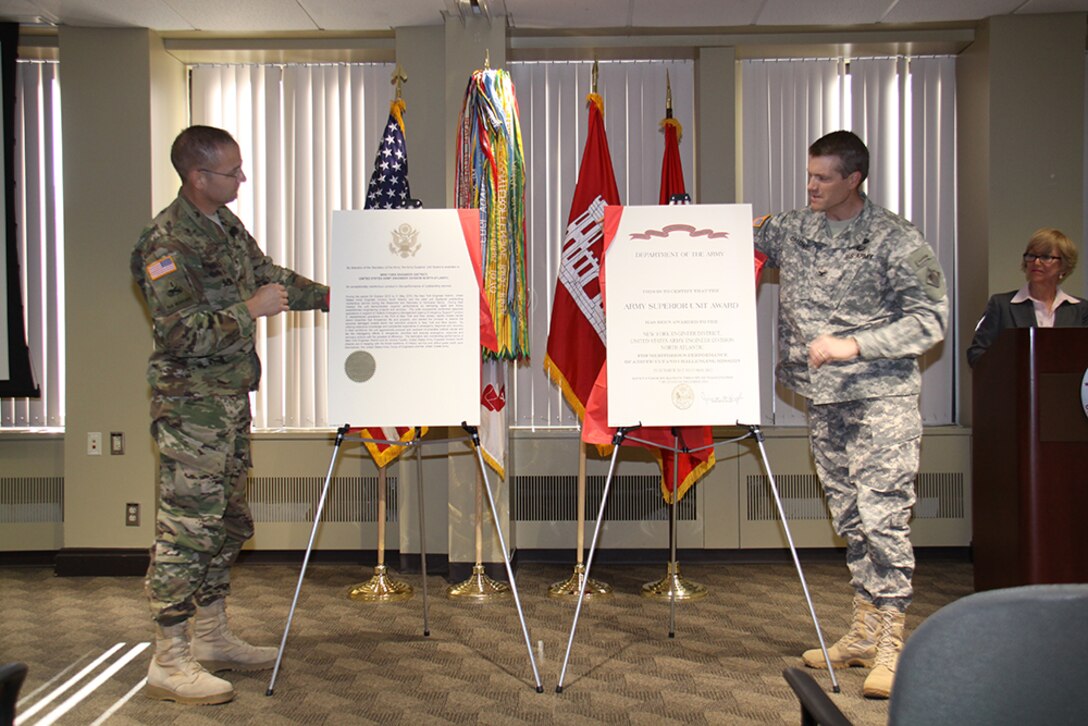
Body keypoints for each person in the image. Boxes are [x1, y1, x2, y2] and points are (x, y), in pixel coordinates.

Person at [132, 125, 329, 705]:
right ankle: (169, 659)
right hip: (190, 407)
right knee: (186, 531)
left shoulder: (224, 226)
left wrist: (343, 295)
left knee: (225, 523)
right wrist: (249, 311)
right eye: (232, 171)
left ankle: (213, 637)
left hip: (227, 404)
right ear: (198, 177)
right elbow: (177, 332)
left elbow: (272, 278)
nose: (241, 178)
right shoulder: (165, 244)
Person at [753, 130, 948, 699]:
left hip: (880, 399)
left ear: (854, 179)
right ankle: (863, 631)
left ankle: (892, 641)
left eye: (823, 177)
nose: (811, 186)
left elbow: (930, 321)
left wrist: (854, 345)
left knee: (884, 517)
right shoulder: (793, 228)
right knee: (850, 518)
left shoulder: (894, 238)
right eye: (808, 175)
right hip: (824, 402)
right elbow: (725, 240)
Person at [967, 227, 1088, 366]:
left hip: (1064, 387)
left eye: (1046, 257)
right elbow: (976, 355)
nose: (1036, 262)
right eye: (1031, 256)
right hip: (1014, 386)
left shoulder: (1080, 310)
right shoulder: (1001, 305)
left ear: (1064, 266)